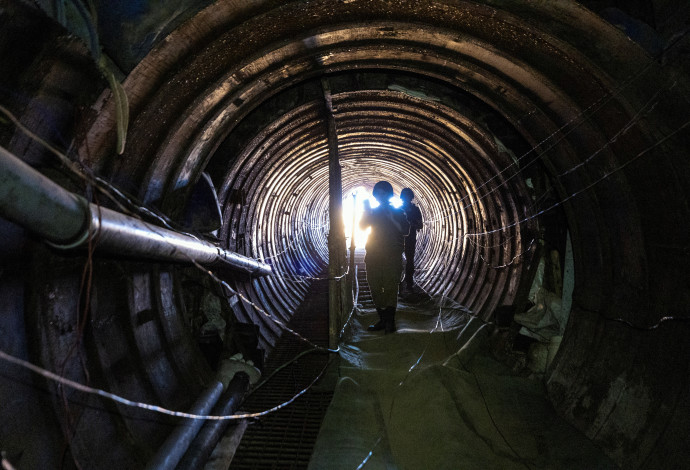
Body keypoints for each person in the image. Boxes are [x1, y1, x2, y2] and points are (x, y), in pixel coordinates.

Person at [360, 181, 410, 333]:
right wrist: (366, 211)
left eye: (383, 193)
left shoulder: (398, 211)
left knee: (390, 287)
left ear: (388, 194)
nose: (380, 196)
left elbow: (406, 230)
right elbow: (362, 226)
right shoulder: (373, 211)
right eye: (378, 193)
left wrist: (392, 218)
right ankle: (382, 320)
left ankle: (390, 322)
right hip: (374, 255)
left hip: (392, 255)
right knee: (374, 287)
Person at [400, 188, 423, 291]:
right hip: (400, 239)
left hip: (408, 239)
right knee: (402, 261)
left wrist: (410, 223)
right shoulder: (399, 209)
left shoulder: (414, 210)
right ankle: (401, 284)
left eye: (407, 196)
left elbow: (420, 225)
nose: (406, 199)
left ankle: (408, 283)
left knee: (409, 261)